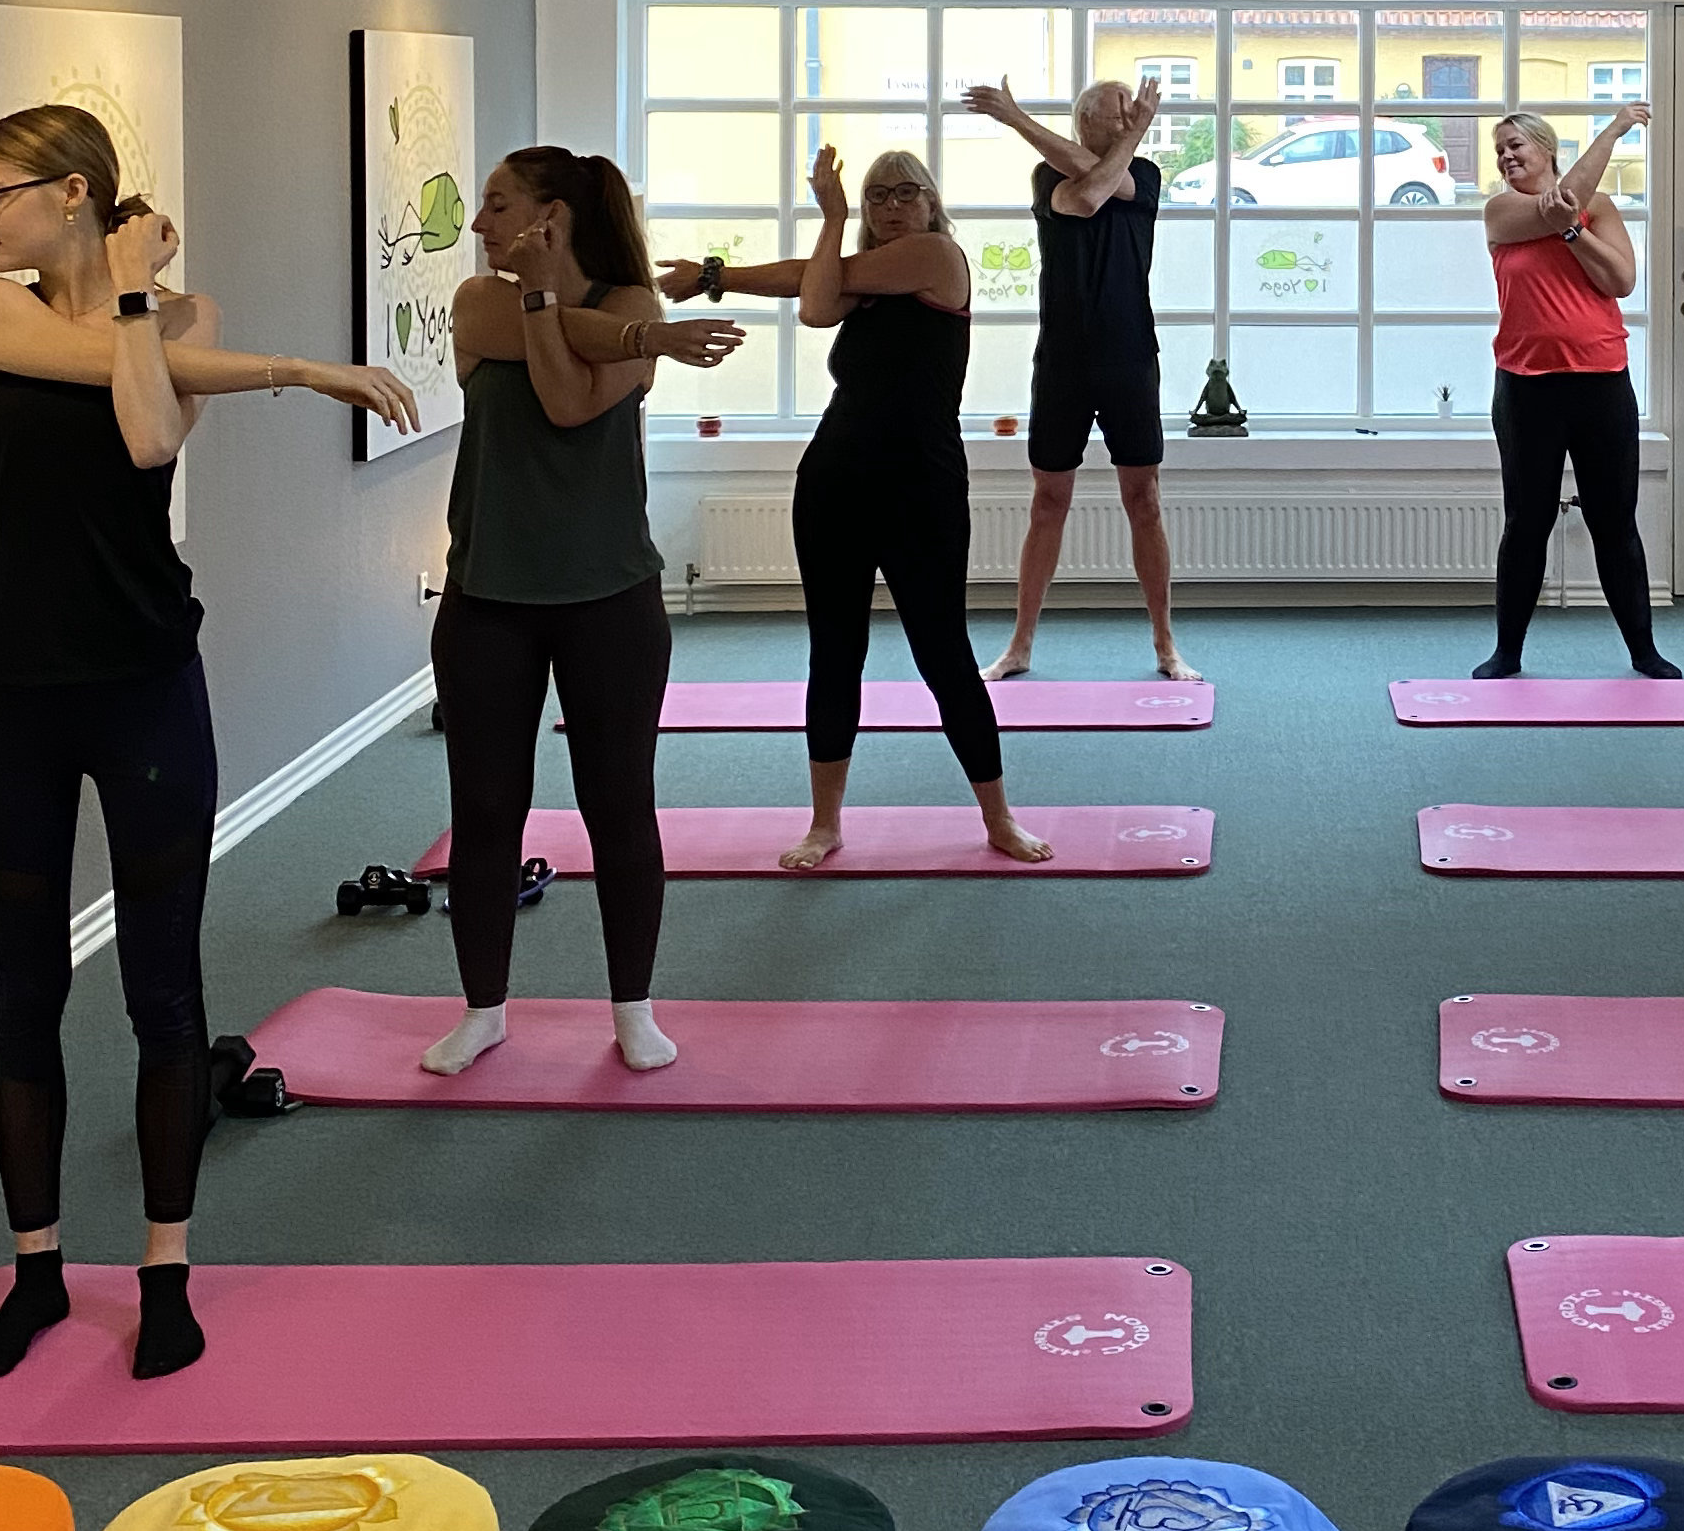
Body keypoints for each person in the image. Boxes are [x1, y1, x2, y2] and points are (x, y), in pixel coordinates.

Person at [0, 103, 417, 1379]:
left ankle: (164, 1271)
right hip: (15, 696)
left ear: (74, 191)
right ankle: (37, 1272)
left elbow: (148, 430)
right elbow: (113, 372)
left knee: (163, 988)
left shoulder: (180, 317)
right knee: (26, 992)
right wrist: (302, 369)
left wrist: (145, 304)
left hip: (148, 684)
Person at [421, 146, 744, 1079]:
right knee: (486, 812)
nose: (479, 224)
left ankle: (634, 1009)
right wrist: (641, 339)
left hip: (610, 599)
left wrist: (614, 327)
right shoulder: (480, 302)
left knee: (618, 807)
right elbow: (573, 348)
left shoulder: (630, 300)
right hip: (489, 600)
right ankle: (483, 1010)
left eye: (498, 205)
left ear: (550, 217)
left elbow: (566, 401)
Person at [710, 146, 1048, 869]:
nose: (892, 205)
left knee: (943, 652)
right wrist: (720, 275)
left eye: (906, 192)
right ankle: (824, 823)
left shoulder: (935, 256)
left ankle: (999, 818)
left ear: (931, 203)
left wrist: (825, 219)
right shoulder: (860, 278)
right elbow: (817, 296)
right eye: (876, 196)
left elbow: (812, 296)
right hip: (834, 479)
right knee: (835, 652)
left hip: (921, 484)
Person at [962, 71, 1195, 683]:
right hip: (1062, 362)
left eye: (1132, 115)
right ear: (1085, 121)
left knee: (1144, 500)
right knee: (1048, 502)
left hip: (1130, 358)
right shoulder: (1047, 178)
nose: (1130, 122)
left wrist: (1023, 121)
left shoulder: (1145, 175)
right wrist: (1017, 119)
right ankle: (1019, 646)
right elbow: (1087, 196)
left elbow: (1105, 185)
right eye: (1119, 113)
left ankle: (1166, 645)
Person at [1475, 100, 1675, 681]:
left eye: (1516, 145)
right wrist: (1614, 130)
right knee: (1527, 522)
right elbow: (1559, 204)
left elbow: (1620, 280)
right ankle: (1507, 653)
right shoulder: (1501, 212)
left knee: (1614, 523)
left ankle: (1644, 651)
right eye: (1499, 150)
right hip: (1526, 387)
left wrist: (1573, 233)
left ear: (1547, 149)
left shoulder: (1599, 208)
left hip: (1601, 383)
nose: (1506, 156)